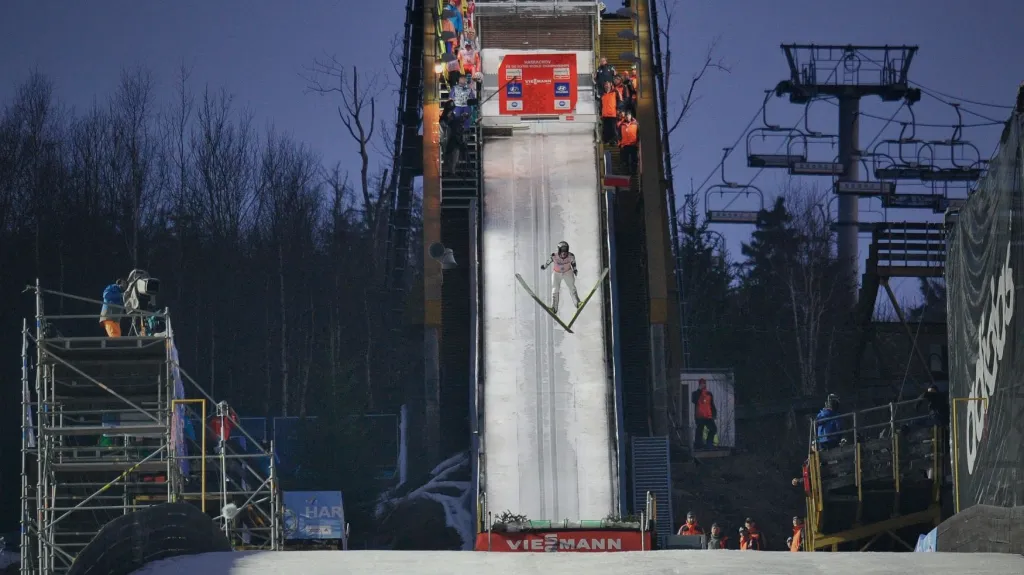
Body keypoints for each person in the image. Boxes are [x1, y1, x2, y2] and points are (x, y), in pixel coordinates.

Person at [540, 241, 580, 314]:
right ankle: (554, 308)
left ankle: (577, 303)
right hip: (557, 273)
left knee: (571, 286)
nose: (564, 253)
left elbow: (573, 263)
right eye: (562, 251)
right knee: (555, 288)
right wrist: (544, 266)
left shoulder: (571, 256)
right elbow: (548, 262)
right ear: (558, 250)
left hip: (567, 272)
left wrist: (575, 270)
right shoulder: (554, 256)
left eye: (565, 251)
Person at [691, 378, 718, 450]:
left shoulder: (709, 394)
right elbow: (694, 400)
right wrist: (699, 390)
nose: (703, 385)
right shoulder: (695, 393)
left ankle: (709, 444)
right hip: (699, 416)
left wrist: (714, 413)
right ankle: (698, 445)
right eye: (701, 383)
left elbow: (711, 404)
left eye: (704, 383)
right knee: (699, 430)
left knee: (714, 429)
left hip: (708, 416)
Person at [618, 110, 639, 175]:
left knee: (634, 160)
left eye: (628, 115)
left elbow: (639, 134)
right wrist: (619, 144)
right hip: (625, 145)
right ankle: (626, 172)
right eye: (626, 116)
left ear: (631, 116)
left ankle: (634, 172)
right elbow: (619, 135)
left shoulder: (636, 124)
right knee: (625, 160)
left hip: (633, 144)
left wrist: (637, 143)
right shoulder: (621, 125)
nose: (627, 117)